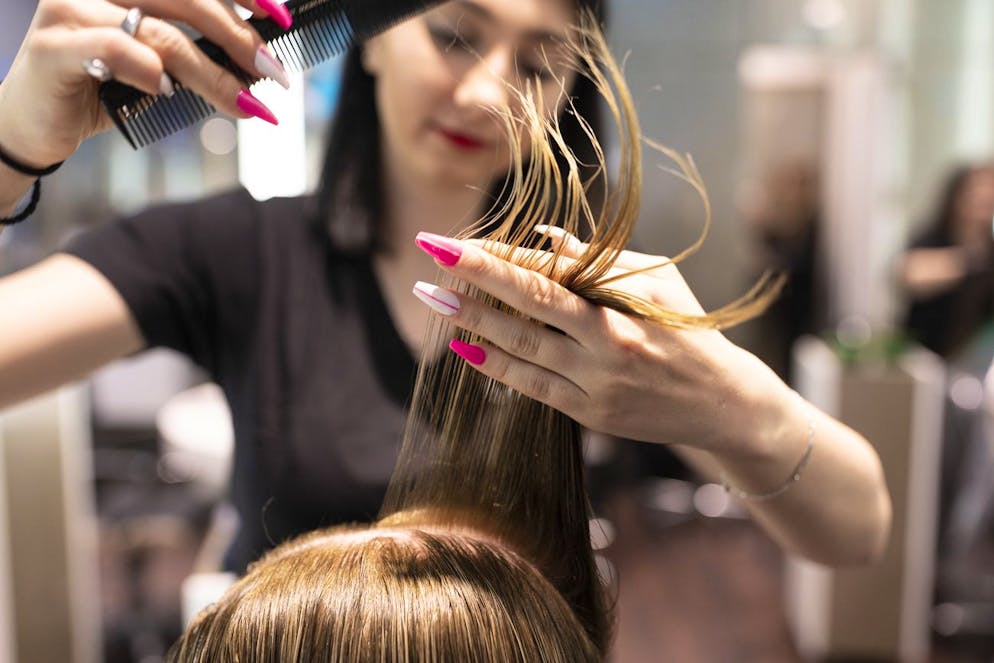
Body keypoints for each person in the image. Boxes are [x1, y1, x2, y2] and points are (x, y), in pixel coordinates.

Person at [0, 0, 889, 579]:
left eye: (537, 64)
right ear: (370, 39)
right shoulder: (233, 252)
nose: (485, 90)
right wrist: (11, 147)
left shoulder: (598, 301)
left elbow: (856, 532)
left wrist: (734, 408)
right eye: (454, 32)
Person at [900, 163, 994, 360]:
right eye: (977, 196)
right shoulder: (933, 237)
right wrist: (972, 261)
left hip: (971, 358)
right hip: (925, 354)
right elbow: (912, 274)